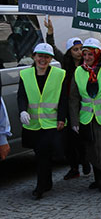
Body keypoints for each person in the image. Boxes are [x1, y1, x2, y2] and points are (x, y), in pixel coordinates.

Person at [18, 43, 67, 199]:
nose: (43, 60)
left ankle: (40, 187)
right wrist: (22, 110)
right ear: (34, 56)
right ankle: (47, 182)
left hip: (51, 122)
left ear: (51, 59)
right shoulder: (25, 74)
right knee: (41, 153)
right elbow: (22, 96)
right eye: (40, 56)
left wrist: (61, 117)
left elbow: (63, 99)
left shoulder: (60, 74)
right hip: (33, 122)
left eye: (46, 57)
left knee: (42, 152)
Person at [70, 38, 101, 193]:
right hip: (87, 117)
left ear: (98, 54)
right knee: (91, 149)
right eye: (85, 55)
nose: (87, 58)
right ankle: (97, 178)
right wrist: (75, 121)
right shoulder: (79, 71)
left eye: (90, 54)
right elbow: (74, 98)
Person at [61, 37, 91, 180]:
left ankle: (85, 160)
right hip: (67, 106)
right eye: (75, 50)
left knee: (82, 138)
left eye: (81, 49)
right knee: (68, 140)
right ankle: (74, 167)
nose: (79, 53)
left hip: (83, 106)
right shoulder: (65, 67)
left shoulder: (88, 65)